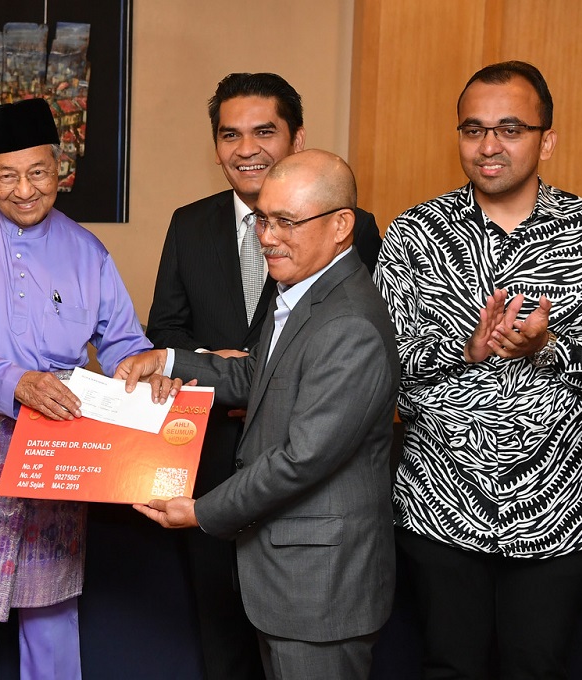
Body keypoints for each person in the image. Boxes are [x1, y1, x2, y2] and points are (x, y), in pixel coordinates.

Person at [117, 149, 399, 680]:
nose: (267, 236)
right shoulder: (303, 289)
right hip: (289, 576)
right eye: (263, 219)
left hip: (320, 587)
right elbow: (258, 379)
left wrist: (201, 512)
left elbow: (301, 459)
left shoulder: (348, 324)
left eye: (287, 222)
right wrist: (169, 358)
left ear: (342, 226)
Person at [374, 60, 582, 679]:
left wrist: (548, 344)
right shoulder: (413, 235)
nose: (489, 145)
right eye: (473, 129)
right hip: (439, 507)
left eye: (510, 128)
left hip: (560, 510)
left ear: (546, 140)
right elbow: (380, 366)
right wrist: (467, 351)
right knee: (447, 669)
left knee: (539, 669)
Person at [0, 97, 152, 680]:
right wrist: (13, 382)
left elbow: (122, 341)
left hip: (58, 440)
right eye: (7, 175)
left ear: (60, 169)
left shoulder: (87, 250)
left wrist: (142, 366)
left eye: (38, 172)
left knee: (50, 604)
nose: (25, 189)